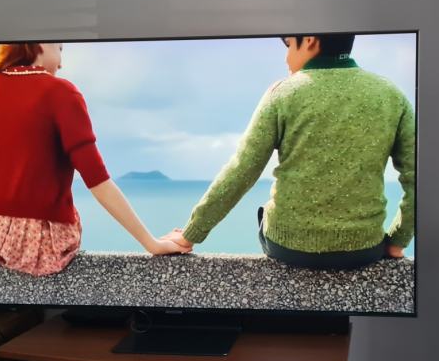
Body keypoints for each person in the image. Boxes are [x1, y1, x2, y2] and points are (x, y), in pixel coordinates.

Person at [164, 34, 415, 270]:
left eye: (289, 45)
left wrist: (191, 234)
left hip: (289, 248)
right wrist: (398, 240)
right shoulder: (392, 95)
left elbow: (242, 169)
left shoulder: (283, 93)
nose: (286, 58)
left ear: (310, 40)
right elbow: (418, 177)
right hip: (364, 249)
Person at [0, 43, 189, 276]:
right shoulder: (61, 93)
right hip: (39, 246)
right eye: (60, 49)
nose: (61, 63)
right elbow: (98, 181)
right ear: (41, 44)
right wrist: (152, 243)